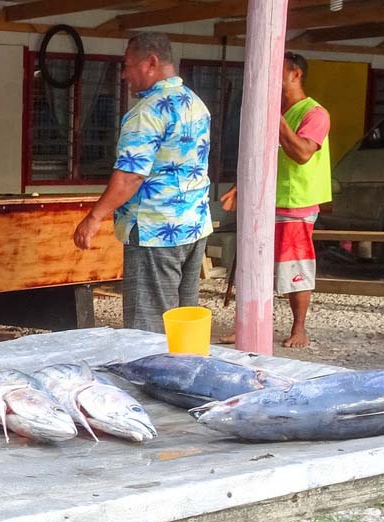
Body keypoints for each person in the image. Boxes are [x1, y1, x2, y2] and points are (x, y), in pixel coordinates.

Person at [72, 32, 212, 333]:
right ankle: (186, 372)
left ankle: (152, 378)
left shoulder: (147, 112)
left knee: (149, 327)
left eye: (127, 65)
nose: (124, 75)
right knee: (184, 319)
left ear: (151, 62)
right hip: (194, 225)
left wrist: (94, 217)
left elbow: (131, 175)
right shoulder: (196, 103)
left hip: (155, 230)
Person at [219, 52, 331, 348]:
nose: (270, 78)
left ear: (296, 74)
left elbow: (303, 153)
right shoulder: (277, 111)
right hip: (264, 200)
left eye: (277, 71)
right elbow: (259, 155)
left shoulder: (315, 113)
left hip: (295, 203)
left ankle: (299, 329)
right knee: (251, 265)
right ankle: (248, 326)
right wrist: (239, 186)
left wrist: (276, 119)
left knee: (295, 268)